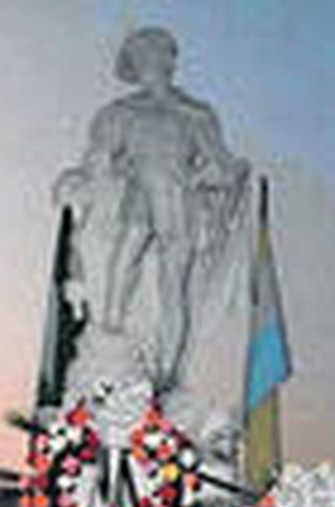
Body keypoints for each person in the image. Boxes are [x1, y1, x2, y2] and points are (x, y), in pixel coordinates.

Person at [54, 25, 249, 392]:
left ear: (167, 60)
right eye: (139, 57)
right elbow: (97, 159)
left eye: (153, 54)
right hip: (138, 196)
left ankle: (170, 375)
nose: (148, 63)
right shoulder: (121, 112)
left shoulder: (195, 114)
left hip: (180, 199)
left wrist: (223, 186)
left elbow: (223, 165)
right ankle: (106, 344)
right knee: (121, 265)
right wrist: (79, 178)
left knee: (173, 287)